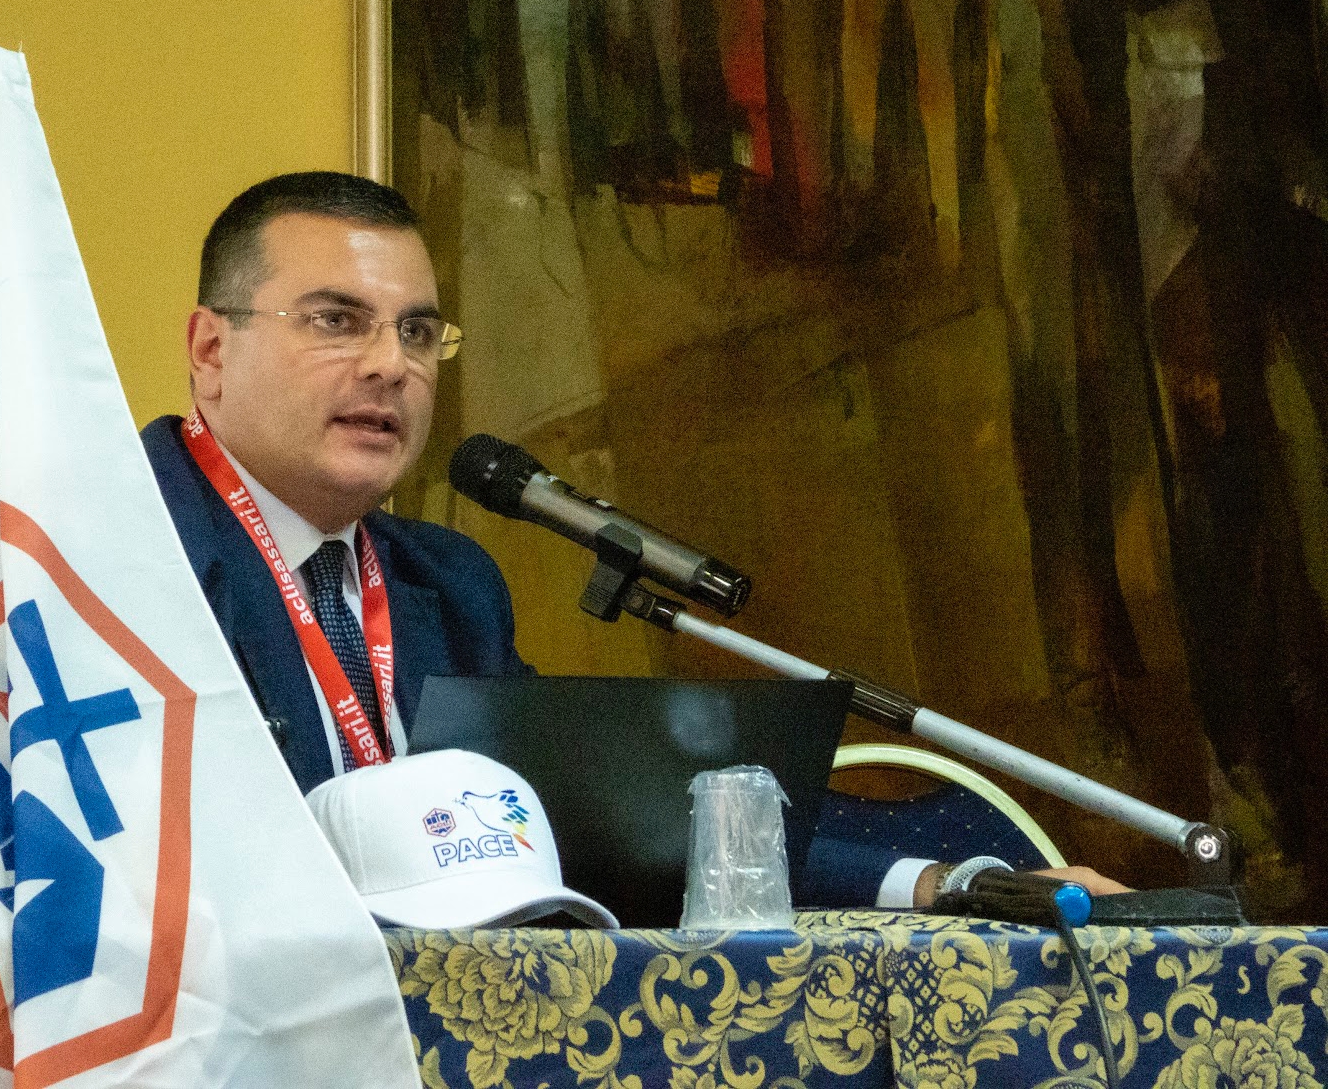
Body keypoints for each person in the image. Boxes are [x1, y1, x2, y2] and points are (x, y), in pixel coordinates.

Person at [141, 170, 1123, 908]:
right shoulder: (123, 555)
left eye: (417, 332)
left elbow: (607, 820)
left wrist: (940, 881)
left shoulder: (447, 583)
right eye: (336, 320)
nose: (389, 365)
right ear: (211, 351)